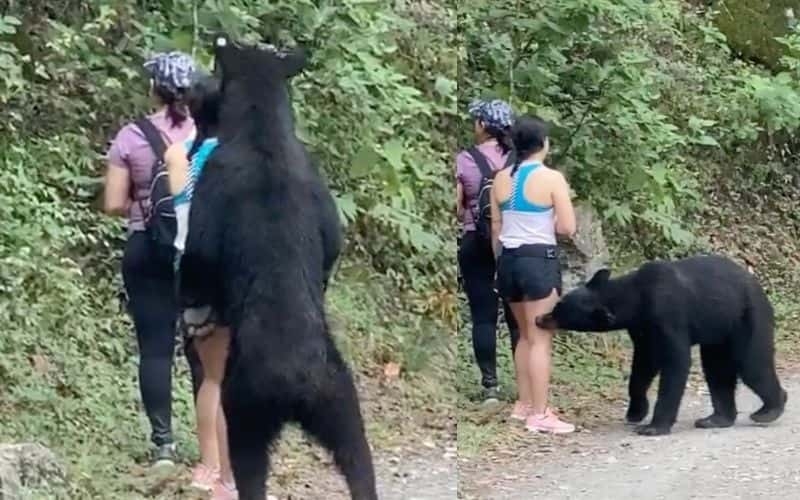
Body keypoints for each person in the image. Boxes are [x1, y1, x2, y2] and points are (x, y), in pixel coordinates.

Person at [104, 51, 200, 466]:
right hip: (201, 250)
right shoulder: (210, 133)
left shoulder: (131, 136)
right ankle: (215, 450)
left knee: (156, 348)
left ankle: (163, 444)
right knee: (206, 349)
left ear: (154, 89)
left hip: (147, 246)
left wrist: (144, 205)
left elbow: (111, 203)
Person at [164, 72, 236, 499]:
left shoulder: (178, 154)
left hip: (188, 267)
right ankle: (231, 478)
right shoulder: (232, 156)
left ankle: (210, 470)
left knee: (211, 377)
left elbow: (180, 212)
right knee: (234, 379)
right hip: (228, 270)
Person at [491, 115, 577, 434]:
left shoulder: (500, 179)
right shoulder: (551, 178)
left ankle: (524, 404)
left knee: (525, 336)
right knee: (541, 338)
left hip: (508, 262)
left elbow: (496, 228)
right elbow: (568, 227)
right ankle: (540, 414)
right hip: (538, 261)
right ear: (543, 144)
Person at [456, 99, 521, 403]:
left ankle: (490, 387)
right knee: (517, 316)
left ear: (483, 125)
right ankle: (525, 385)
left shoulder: (465, 159)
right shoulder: (520, 160)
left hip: (476, 242)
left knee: (483, 317)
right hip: (513, 243)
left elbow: (458, 208)